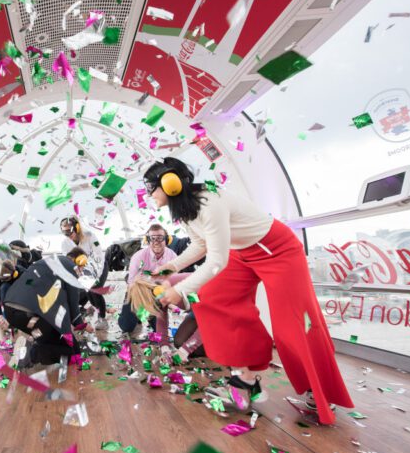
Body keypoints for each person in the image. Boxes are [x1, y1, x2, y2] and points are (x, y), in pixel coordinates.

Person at [143, 157, 353, 425]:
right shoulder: (186, 210)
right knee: (212, 298)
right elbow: (200, 244)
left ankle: (323, 391)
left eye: (152, 187)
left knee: (293, 325)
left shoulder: (210, 202)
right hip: (242, 253)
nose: (149, 194)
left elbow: (216, 261)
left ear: (170, 184)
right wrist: (171, 266)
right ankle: (247, 380)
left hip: (277, 250)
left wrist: (180, 290)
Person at [2, 247, 94, 367]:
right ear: (79, 261)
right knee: (72, 352)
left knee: (49, 337)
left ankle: (33, 345)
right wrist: (82, 325)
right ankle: (30, 353)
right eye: (82, 267)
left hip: (12, 313)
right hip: (30, 315)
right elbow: (73, 305)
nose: (81, 271)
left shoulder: (47, 262)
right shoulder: (70, 268)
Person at [118, 224, 178, 338]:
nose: (156, 241)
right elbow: (131, 284)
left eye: (160, 238)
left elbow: (174, 282)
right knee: (126, 326)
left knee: (159, 330)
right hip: (138, 291)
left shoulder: (172, 256)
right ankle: (138, 315)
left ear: (167, 239)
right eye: (152, 238)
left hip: (159, 294)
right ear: (147, 240)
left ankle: (149, 316)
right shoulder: (138, 256)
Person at [60, 216, 109, 329]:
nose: (68, 235)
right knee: (89, 294)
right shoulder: (65, 243)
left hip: (99, 266)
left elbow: (99, 256)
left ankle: (102, 318)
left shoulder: (90, 236)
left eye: (70, 231)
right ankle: (96, 311)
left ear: (77, 227)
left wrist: (96, 275)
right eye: (65, 232)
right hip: (82, 271)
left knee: (95, 290)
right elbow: (68, 262)